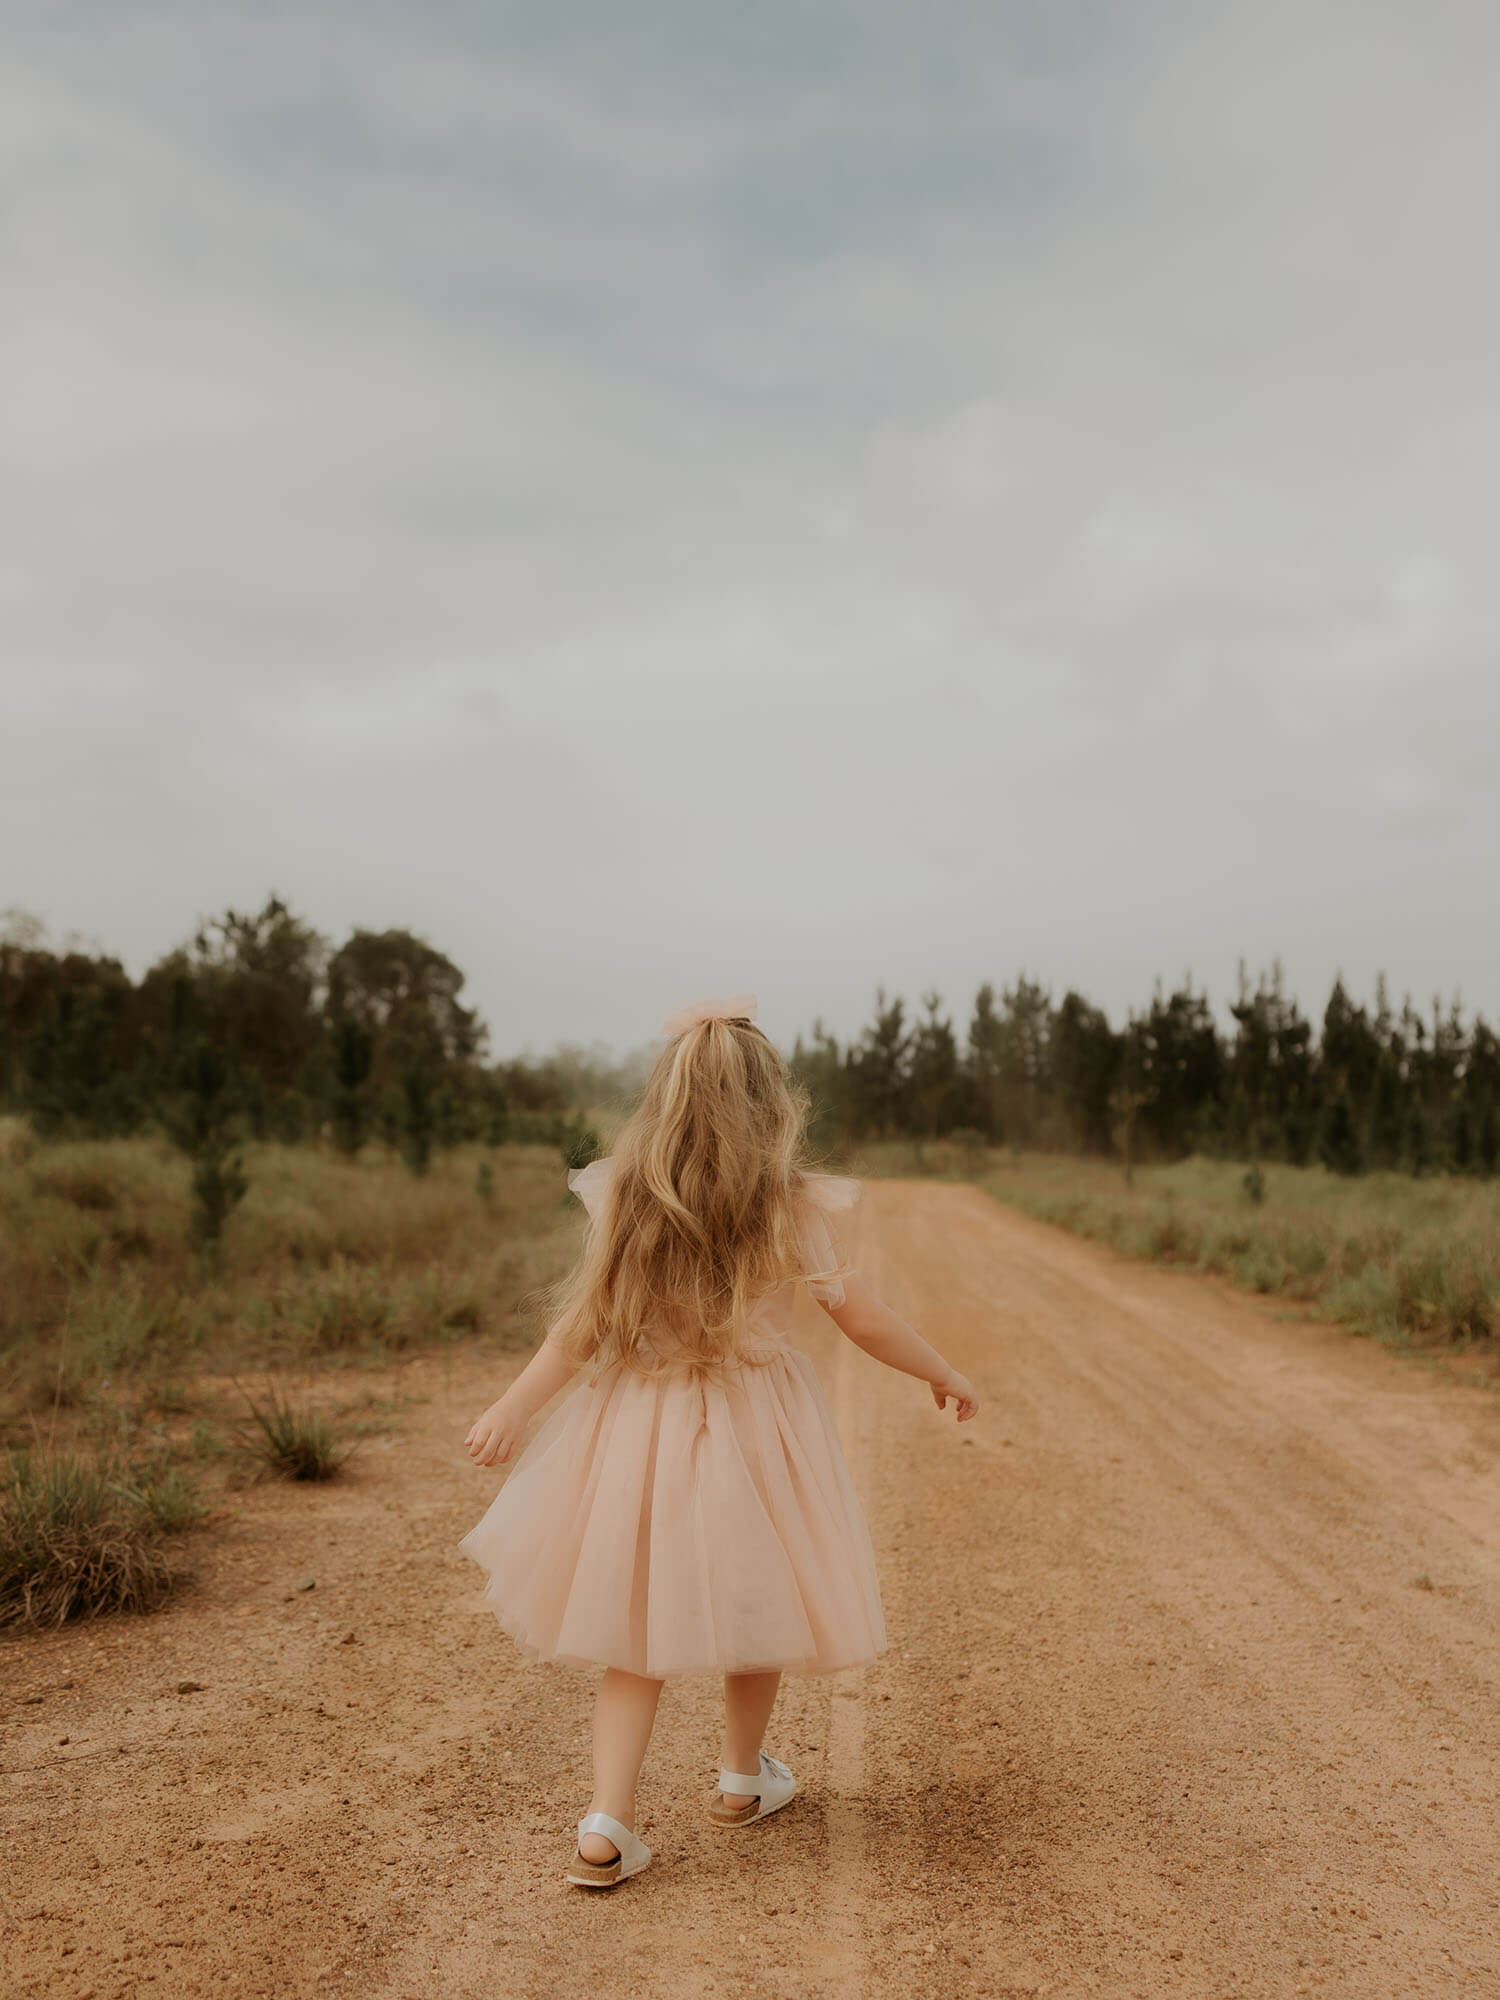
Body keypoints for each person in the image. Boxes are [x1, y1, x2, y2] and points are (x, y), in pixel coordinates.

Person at [459, 994, 979, 1889]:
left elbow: (583, 1327)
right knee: (755, 1594)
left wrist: (514, 1405)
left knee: (633, 1625)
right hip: (756, 1427)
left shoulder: (629, 1190)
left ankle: (605, 1824)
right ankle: (742, 1779)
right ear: (771, 1101)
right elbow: (862, 1320)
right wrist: (942, 1370)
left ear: (664, 1096)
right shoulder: (787, 1202)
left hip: (640, 1424)